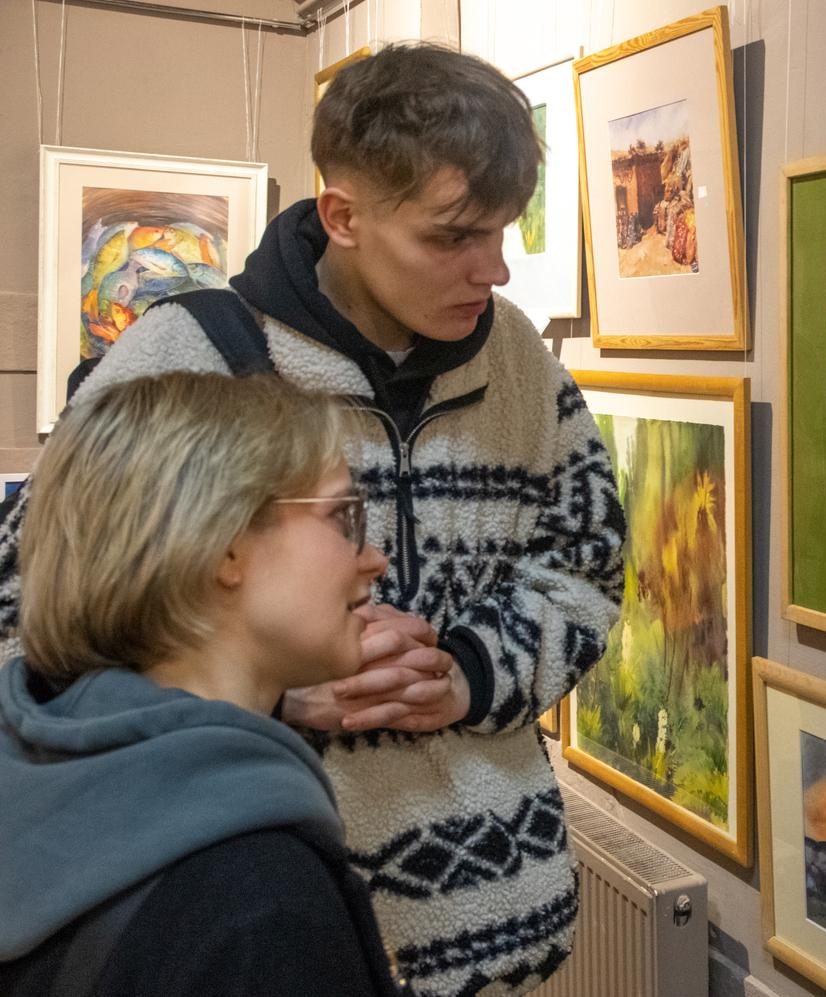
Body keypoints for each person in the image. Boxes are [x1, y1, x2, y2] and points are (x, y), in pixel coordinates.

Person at [0, 42, 625, 997]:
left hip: (508, 928)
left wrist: (468, 672)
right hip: (249, 926)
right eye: (453, 236)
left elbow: (586, 563)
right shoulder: (181, 356)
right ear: (343, 216)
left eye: (503, 231)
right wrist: (268, 696)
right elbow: (32, 619)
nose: (493, 269)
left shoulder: (520, 365)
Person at [0, 372, 403, 995]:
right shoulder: (260, 902)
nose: (374, 558)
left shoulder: (39, 775)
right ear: (224, 547)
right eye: (341, 516)